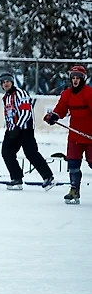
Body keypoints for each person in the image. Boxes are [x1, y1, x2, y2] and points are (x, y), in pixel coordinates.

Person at [43, 65, 92, 204]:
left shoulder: (89, 93)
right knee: (73, 163)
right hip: (75, 136)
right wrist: (53, 116)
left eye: (78, 78)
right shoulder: (67, 94)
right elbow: (61, 109)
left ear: (83, 79)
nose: (75, 81)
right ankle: (74, 189)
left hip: (90, 136)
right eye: (73, 78)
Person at [0, 72, 55, 191]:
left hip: (24, 129)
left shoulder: (20, 93)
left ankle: (48, 177)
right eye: (3, 82)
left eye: (8, 81)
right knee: (6, 153)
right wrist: (10, 128)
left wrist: (18, 127)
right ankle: (16, 178)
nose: (6, 84)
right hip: (12, 130)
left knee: (31, 153)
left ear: (12, 82)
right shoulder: (6, 97)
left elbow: (26, 112)